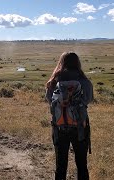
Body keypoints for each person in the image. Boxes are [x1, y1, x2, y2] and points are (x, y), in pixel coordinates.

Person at [45, 52, 93, 180]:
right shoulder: (83, 81)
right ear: (77, 63)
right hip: (80, 127)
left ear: (61, 62)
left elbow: (49, 99)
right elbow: (88, 99)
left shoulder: (54, 81)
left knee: (60, 166)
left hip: (59, 127)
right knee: (82, 165)